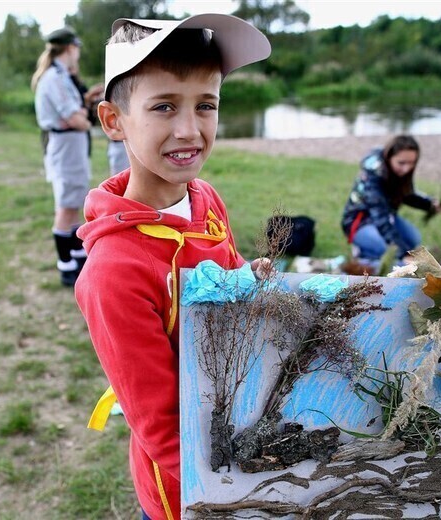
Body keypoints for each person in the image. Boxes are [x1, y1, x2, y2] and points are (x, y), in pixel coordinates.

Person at [73, 15, 271, 520]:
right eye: (163, 106)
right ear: (114, 121)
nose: (189, 129)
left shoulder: (205, 199)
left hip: (246, 424)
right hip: (189, 492)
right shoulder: (113, 272)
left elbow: (228, 271)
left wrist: (252, 279)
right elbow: (160, 425)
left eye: (206, 105)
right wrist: (245, 493)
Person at [32, 27, 92, 287]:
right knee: (66, 204)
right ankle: (66, 265)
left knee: (75, 198)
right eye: (76, 49)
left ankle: (78, 257)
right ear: (70, 48)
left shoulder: (62, 75)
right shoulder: (54, 78)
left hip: (70, 144)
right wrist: (85, 119)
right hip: (65, 143)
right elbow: (75, 119)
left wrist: (83, 111)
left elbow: (78, 113)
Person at [340, 135, 440, 270]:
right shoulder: (372, 177)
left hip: (387, 216)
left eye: (412, 163)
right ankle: (363, 254)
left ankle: (378, 254)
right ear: (389, 158)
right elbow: (381, 219)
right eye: (402, 163)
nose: (407, 169)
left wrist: (429, 205)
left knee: (414, 239)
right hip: (358, 222)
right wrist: (402, 254)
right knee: (385, 250)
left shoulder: (398, 173)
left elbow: (407, 195)